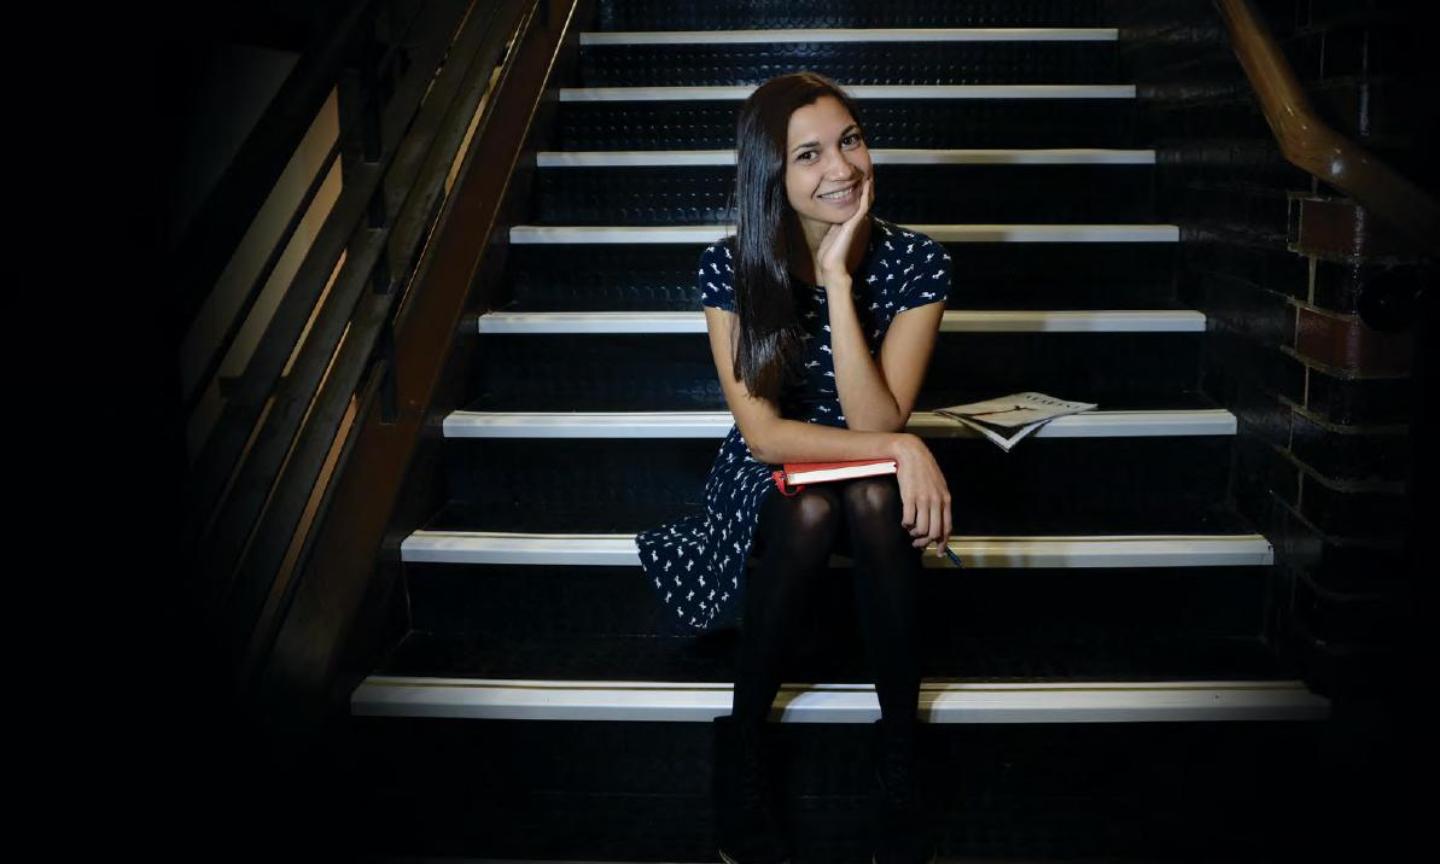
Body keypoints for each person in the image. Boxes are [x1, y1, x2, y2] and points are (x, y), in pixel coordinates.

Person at [634, 71, 952, 864]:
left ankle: (900, 750)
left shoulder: (918, 261)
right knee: (812, 509)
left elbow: (876, 423)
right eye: (808, 155)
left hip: (861, 455)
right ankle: (743, 740)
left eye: (850, 141)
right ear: (770, 174)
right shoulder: (731, 266)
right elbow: (766, 435)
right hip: (771, 466)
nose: (841, 168)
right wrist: (904, 448)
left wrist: (840, 282)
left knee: (874, 498)